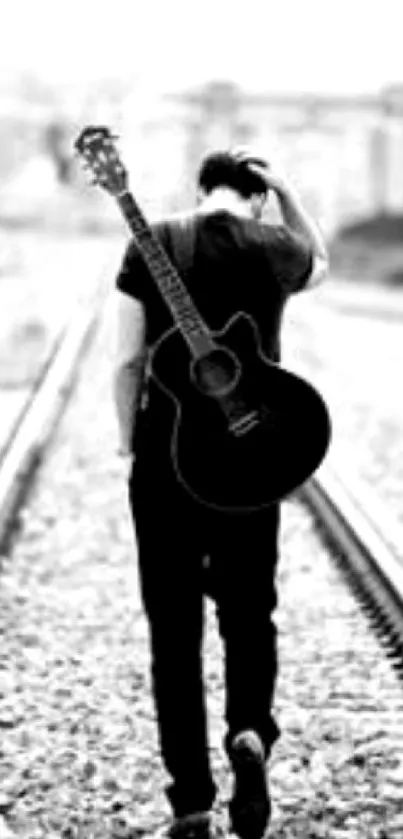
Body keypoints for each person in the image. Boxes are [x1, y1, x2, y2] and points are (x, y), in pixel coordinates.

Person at [113, 148, 328, 839]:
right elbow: (319, 263)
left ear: (198, 189)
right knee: (249, 610)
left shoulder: (154, 241)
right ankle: (250, 731)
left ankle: (193, 801)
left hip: (166, 462)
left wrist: (128, 439)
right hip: (250, 461)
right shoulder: (274, 247)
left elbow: (125, 359)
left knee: (173, 633)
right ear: (255, 197)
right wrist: (288, 193)